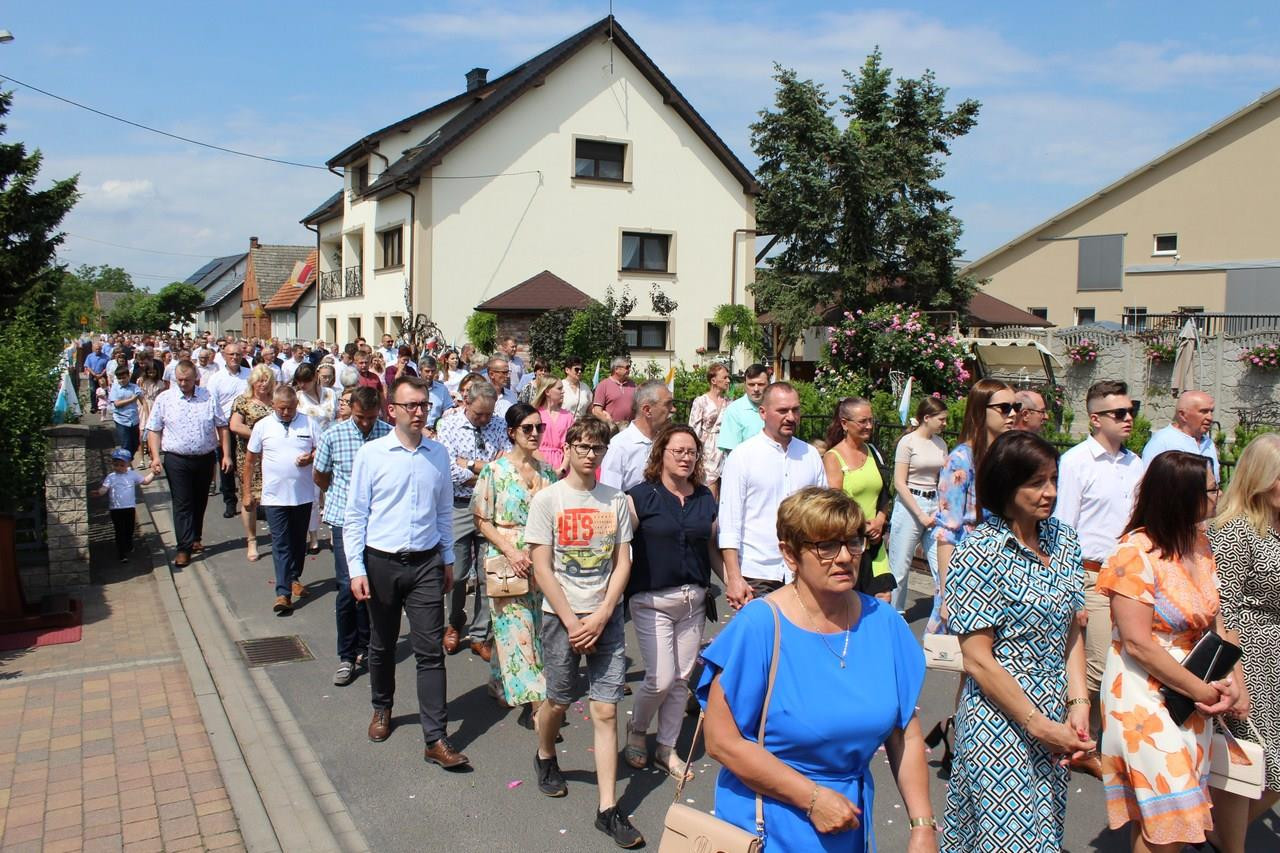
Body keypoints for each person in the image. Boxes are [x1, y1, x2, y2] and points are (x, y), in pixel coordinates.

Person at [699, 487, 933, 853]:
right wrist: (811, 798)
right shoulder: (761, 626)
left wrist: (922, 825)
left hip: (848, 821)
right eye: (826, 546)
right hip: (767, 824)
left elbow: (905, 734)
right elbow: (721, 740)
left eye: (852, 542)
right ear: (790, 554)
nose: (845, 557)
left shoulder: (884, 623)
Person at [942, 430, 1094, 853]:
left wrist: (1079, 703)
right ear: (1007, 484)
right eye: (1037, 482)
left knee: (1044, 833)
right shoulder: (979, 550)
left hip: (1054, 714)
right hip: (998, 721)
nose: (1051, 492)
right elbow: (977, 659)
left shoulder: (1064, 540)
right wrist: (1038, 724)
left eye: (1053, 479)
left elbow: (1071, 629)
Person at [1098, 450, 1244, 853]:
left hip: (1193, 689)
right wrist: (1201, 691)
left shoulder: (1200, 543)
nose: (1219, 495)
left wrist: (1230, 682)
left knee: (1162, 821)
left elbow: (1215, 622)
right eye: (1211, 489)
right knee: (1173, 817)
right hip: (1143, 694)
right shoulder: (1134, 552)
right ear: (1182, 496)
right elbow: (1137, 643)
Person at [525, 417, 643, 848]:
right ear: (569, 449)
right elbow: (542, 567)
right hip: (562, 617)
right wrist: (574, 622)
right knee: (558, 700)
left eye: (598, 448)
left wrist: (604, 612)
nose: (591, 455)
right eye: (584, 447)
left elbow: (622, 561)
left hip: (605, 617)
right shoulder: (548, 500)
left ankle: (607, 809)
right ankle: (545, 753)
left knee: (606, 710)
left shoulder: (615, 500)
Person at [345, 375, 469, 770]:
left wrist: (447, 558)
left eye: (423, 405)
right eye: (410, 405)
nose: (418, 412)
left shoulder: (438, 454)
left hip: (426, 563)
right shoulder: (372, 454)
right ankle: (382, 707)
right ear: (392, 409)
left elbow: (444, 511)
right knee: (382, 644)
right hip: (381, 562)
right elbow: (355, 515)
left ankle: (436, 738)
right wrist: (356, 568)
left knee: (429, 650)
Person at [1052, 379, 1145, 780]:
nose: (1128, 418)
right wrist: (1071, 589)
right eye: (1119, 413)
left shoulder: (1136, 463)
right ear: (1095, 419)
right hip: (1090, 575)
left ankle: (1086, 739)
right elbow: (1062, 528)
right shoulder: (1076, 462)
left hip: (1130, 577)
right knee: (1098, 664)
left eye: (1131, 411)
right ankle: (1077, 740)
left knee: (1125, 662)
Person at [623, 425, 721, 780]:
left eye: (691, 452)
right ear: (661, 454)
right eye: (678, 451)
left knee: (680, 679)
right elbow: (620, 547)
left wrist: (734, 582)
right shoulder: (640, 497)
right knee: (660, 678)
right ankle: (637, 728)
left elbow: (711, 547)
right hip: (651, 600)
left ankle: (667, 747)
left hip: (693, 601)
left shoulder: (704, 498)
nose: (685, 457)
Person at [1206, 433, 1280, 851]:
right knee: (1248, 760)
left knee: (1270, 769)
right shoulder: (1234, 530)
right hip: (1249, 654)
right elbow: (1226, 608)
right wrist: (1237, 678)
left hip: (1276, 652)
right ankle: (1228, 844)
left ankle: (1211, 833)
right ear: (1262, 478)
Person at [472, 403, 556, 720]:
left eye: (539, 427)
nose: (535, 433)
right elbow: (481, 519)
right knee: (517, 627)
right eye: (527, 428)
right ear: (511, 432)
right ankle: (537, 704)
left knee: (534, 625)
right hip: (508, 558)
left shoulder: (548, 472)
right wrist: (511, 551)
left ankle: (498, 680)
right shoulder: (494, 471)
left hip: (541, 559)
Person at [719, 382, 827, 608]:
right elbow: (729, 522)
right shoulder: (743, 456)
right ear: (763, 412)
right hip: (757, 573)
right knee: (764, 631)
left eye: (795, 410)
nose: (791, 417)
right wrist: (734, 577)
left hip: (802, 570)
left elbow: (822, 514)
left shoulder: (810, 455)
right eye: (782, 411)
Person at [314, 385, 390, 686]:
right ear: (351, 409)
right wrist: (338, 496)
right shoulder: (333, 435)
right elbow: (320, 475)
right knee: (348, 586)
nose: (366, 423)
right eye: (360, 417)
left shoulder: (388, 434)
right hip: (345, 520)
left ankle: (368, 646)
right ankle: (347, 654)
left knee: (374, 587)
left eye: (371, 417)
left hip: (378, 522)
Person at [436, 380, 510, 661]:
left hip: (491, 506)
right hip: (459, 505)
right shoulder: (449, 425)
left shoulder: (499, 425)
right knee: (457, 573)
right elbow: (448, 469)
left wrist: (468, 464)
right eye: (479, 414)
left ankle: (480, 634)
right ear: (466, 403)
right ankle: (455, 622)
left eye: (488, 414)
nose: (484, 419)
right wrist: (486, 470)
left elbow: (505, 466)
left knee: (487, 573)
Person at [934, 378, 1015, 632]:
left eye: (1016, 407)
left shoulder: (1006, 457)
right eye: (1004, 408)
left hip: (1004, 569)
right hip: (968, 570)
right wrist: (946, 595)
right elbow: (947, 531)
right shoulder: (960, 459)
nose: (1013, 414)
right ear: (981, 410)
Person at [146, 361, 231, 568]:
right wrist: (155, 457)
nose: (183, 383)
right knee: (182, 502)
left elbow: (222, 426)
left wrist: (226, 455)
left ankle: (195, 537)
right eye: (179, 380)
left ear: (196, 379)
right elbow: (154, 429)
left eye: (187, 380)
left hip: (204, 457)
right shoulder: (165, 399)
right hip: (177, 459)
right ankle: (183, 548)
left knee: (200, 500)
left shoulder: (208, 397)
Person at [244, 385, 316, 615]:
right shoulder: (263, 426)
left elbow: (321, 449)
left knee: (298, 542)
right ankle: (283, 593)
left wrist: (310, 457)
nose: (286, 413)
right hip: (274, 496)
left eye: (290, 408)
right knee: (281, 543)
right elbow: (249, 461)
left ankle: (294, 577)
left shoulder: (308, 423)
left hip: (302, 495)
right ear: (273, 405)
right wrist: (247, 492)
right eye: (282, 408)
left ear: (297, 405)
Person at [823, 398, 894, 600]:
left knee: (883, 598)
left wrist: (880, 519)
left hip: (875, 544)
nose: (869, 426)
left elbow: (884, 492)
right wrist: (861, 526)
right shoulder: (833, 457)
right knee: (850, 603)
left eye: (871, 420)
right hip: (850, 543)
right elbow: (835, 503)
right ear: (845, 423)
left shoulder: (873, 452)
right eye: (863, 421)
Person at [889, 397, 948, 617]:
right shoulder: (908, 442)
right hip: (910, 505)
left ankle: (942, 613)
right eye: (941, 419)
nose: (945, 424)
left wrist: (940, 507)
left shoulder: (941, 443)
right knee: (900, 568)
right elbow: (899, 483)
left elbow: (943, 478)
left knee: (942, 565)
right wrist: (920, 514)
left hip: (934, 504)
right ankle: (895, 615)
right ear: (927, 418)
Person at [229, 365, 275, 563]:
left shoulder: (276, 401)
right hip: (250, 457)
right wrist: (260, 436)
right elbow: (235, 425)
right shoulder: (243, 401)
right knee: (250, 499)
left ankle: (278, 534)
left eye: (266, 380)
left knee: (274, 496)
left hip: (273, 457)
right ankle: (252, 540)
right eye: (259, 380)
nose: (263, 384)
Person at [599, 380, 675, 492]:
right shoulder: (619, 447)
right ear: (647, 410)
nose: (673, 409)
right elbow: (610, 494)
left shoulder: (668, 442)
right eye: (667, 404)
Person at [205, 342, 251, 519]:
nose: (235, 358)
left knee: (249, 464)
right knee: (227, 465)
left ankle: (250, 499)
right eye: (231, 354)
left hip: (246, 426)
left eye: (238, 354)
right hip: (225, 427)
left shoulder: (249, 375)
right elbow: (212, 404)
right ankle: (230, 501)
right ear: (224, 356)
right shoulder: (216, 378)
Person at [294, 363, 337, 554]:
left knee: (332, 493)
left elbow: (336, 417)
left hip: (332, 446)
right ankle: (313, 536)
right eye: (299, 382)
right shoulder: (298, 398)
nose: (302, 385)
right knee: (312, 495)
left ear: (314, 378)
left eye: (306, 381)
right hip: (311, 449)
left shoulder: (330, 394)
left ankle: (334, 533)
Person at [1141, 390, 1220, 480]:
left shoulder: (1208, 443)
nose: (1210, 417)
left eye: (1211, 411)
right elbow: (1148, 483)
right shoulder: (1162, 442)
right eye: (1203, 411)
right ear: (1183, 415)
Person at [94, 448, 156, 562]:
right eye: (116, 465)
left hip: (129, 508)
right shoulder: (111, 477)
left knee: (129, 529)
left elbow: (145, 481)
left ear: (128, 464)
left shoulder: (132, 475)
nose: (118, 467)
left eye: (122, 465)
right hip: (116, 509)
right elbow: (104, 488)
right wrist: (99, 492)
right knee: (119, 530)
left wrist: (153, 473)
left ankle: (128, 544)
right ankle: (121, 553)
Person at [688, 363, 731, 498]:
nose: (728, 380)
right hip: (706, 450)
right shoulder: (701, 401)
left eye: (728, 377)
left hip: (724, 448)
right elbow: (693, 429)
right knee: (709, 490)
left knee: (725, 489)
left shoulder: (729, 402)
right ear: (713, 380)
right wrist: (695, 453)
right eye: (724, 377)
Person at [716, 363, 768, 455]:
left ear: (769, 384)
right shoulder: (734, 411)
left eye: (760, 384)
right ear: (745, 385)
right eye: (751, 385)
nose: (756, 389)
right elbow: (731, 452)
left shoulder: (777, 408)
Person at [531, 376, 574, 472]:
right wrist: (547, 468)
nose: (563, 391)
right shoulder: (535, 414)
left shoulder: (568, 416)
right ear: (547, 391)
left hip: (562, 463)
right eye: (559, 388)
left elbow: (571, 445)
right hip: (538, 462)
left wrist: (563, 466)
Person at [136, 359, 167, 468]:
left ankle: (151, 457)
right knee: (141, 434)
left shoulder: (160, 383)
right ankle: (141, 459)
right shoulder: (141, 381)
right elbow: (139, 396)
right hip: (143, 407)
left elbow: (162, 397)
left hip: (155, 406)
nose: (151, 374)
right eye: (149, 372)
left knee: (152, 434)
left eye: (153, 372)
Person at [590, 357, 636, 426]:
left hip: (629, 428)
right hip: (610, 429)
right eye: (627, 367)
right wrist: (611, 425)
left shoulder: (633, 385)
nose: (629, 370)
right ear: (616, 369)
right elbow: (597, 411)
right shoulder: (603, 385)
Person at [108, 367, 143, 459]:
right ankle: (126, 463)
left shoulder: (134, 387)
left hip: (134, 419)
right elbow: (117, 404)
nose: (122, 380)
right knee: (125, 444)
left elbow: (142, 400)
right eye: (119, 378)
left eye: (124, 377)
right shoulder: (115, 388)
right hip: (121, 420)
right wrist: (131, 399)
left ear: (128, 376)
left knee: (135, 444)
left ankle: (129, 459)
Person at [416, 354, 451, 429]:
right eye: (427, 371)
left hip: (437, 430)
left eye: (433, 371)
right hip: (417, 429)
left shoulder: (442, 389)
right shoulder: (412, 388)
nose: (430, 374)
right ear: (419, 371)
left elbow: (449, 409)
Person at [85, 341, 110, 412]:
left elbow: (107, 367)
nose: (98, 350)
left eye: (99, 349)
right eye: (96, 349)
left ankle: (101, 406)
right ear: (93, 349)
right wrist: (94, 374)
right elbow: (87, 366)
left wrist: (101, 374)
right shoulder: (90, 356)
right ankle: (93, 406)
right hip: (93, 375)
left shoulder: (106, 357)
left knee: (102, 391)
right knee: (93, 390)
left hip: (102, 376)